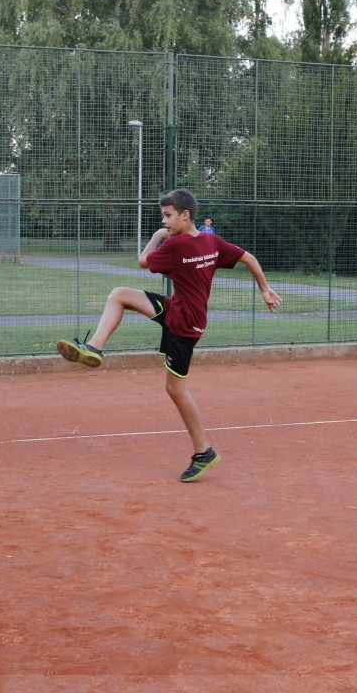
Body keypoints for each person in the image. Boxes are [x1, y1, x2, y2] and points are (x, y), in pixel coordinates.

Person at [57, 189, 281, 482]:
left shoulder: (175, 246)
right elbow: (248, 257)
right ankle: (94, 348)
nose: (164, 221)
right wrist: (264, 289)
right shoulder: (210, 240)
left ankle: (204, 452)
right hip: (178, 309)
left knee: (175, 390)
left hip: (185, 326)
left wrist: (156, 237)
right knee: (120, 295)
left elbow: (143, 261)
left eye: (167, 216)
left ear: (184, 215)